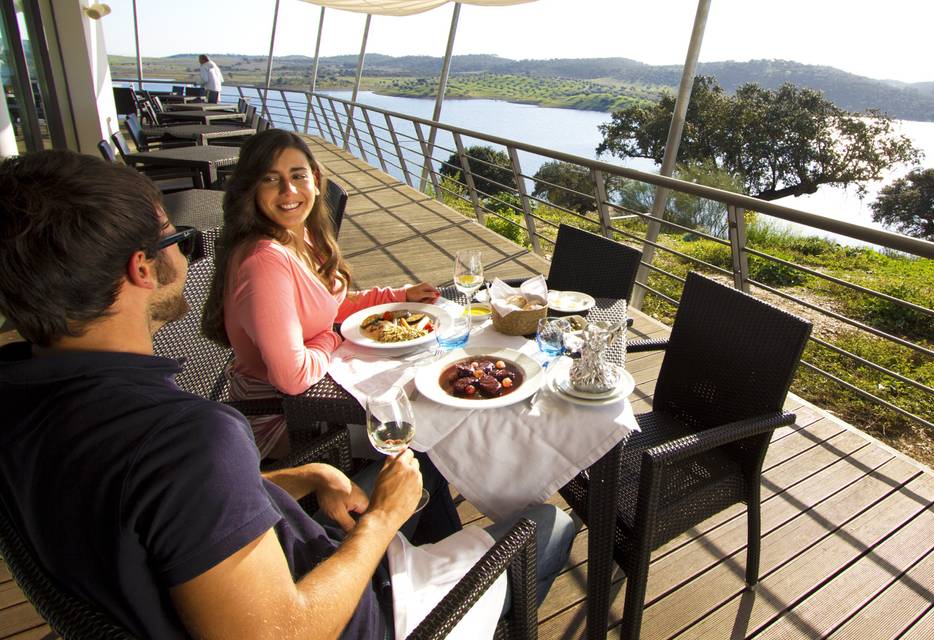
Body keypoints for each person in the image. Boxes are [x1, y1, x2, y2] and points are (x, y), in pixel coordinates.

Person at [0, 150, 575, 639]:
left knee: (407, 477)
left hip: (274, 556)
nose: (188, 253)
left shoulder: (25, 410)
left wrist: (294, 478)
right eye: (177, 239)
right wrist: (382, 522)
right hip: (362, 612)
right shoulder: (187, 437)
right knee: (547, 525)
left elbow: (164, 516)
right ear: (142, 269)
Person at [202, 129, 439, 460]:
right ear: (252, 188)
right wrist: (331, 338)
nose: (289, 190)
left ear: (314, 179)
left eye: (297, 175)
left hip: (321, 394)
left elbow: (329, 303)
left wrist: (399, 295)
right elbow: (293, 377)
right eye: (271, 179)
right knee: (423, 441)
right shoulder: (264, 262)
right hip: (287, 422)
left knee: (424, 414)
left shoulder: (298, 236)